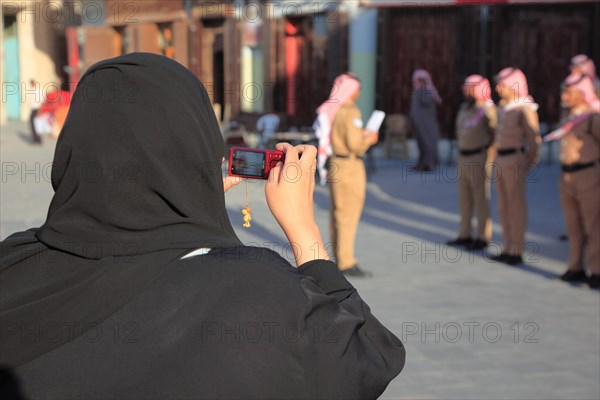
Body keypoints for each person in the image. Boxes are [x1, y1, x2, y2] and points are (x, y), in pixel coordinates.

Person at [0, 53, 405, 398]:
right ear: (198, 141)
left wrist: (195, 200)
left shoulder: (12, 262)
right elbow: (370, 355)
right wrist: (304, 231)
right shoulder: (256, 291)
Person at [545, 74, 600, 288]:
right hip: (567, 175)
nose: (564, 96)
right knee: (573, 224)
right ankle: (575, 266)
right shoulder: (569, 117)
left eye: (569, 92)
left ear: (582, 94)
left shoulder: (593, 118)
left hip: (588, 174)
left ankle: (596, 269)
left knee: (593, 225)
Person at [325, 73, 379, 277]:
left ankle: (338, 257)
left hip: (335, 164)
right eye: (357, 88)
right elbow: (355, 145)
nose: (358, 92)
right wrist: (369, 139)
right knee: (348, 214)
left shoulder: (334, 109)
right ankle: (346, 261)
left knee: (337, 214)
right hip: (349, 165)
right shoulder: (351, 111)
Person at [490, 67, 541, 265]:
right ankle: (507, 245)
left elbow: (534, 140)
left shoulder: (524, 108)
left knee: (516, 206)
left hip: (515, 159)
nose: (498, 88)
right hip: (501, 159)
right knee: (503, 205)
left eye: (502, 84)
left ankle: (517, 250)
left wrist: (528, 162)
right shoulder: (504, 106)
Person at [447, 75, 496, 250]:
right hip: (463, 157)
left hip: (479, 157)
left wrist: (487, 155)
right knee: (464, 198)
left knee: (480, 198)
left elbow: (494, 134)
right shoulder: (464, 108)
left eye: (470, 87)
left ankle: (482, 237)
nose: (465, 91)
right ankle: (464, 234)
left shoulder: (487, 109)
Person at [409, 69, 442, 172]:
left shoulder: (428, 91)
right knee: (421, 144)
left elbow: (426, 101)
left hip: (426, 123)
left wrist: (422, 89)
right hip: (419, 123)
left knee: (428, 143)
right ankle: (421, 164)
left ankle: (429, 164)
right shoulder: (418, 91)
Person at [27, 79, 43, 144]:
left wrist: (40, 110)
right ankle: (35, 139)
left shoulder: (38, 90)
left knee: (37, 125)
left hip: (37, 109)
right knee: (32, 124)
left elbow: (42, 100)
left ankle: (38, 139)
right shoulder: (32, 91)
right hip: (33, 109)